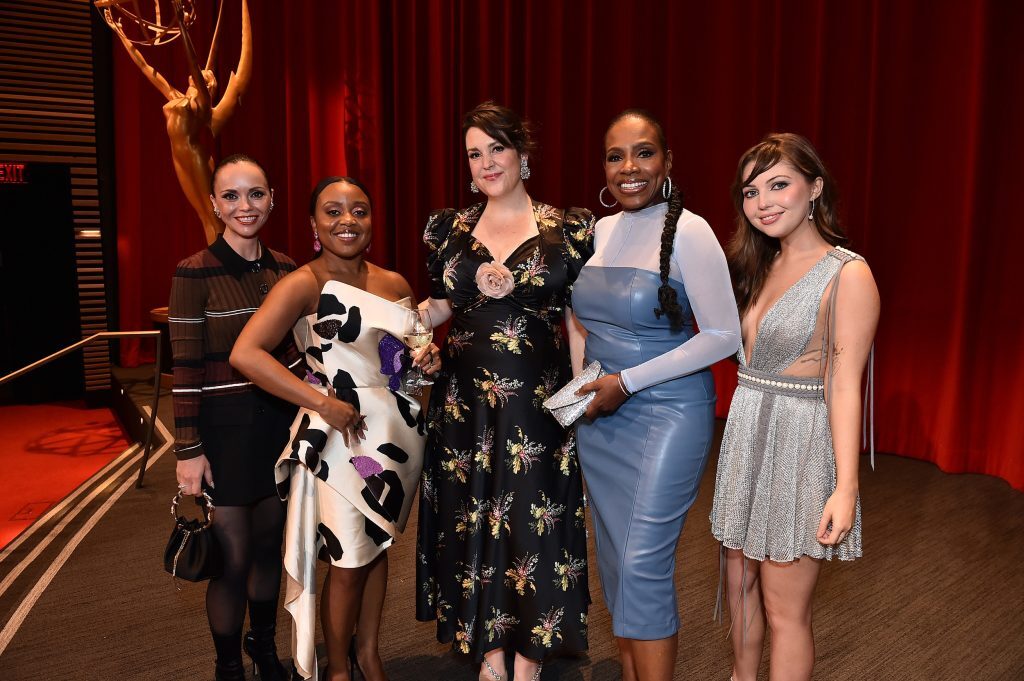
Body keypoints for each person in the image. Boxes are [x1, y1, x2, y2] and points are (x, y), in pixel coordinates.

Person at [230, 176, 436, 681]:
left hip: (395, 436)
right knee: (346, 559)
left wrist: (425, 361)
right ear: (314, 224)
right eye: (334, 211)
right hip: (340, 438)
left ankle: (370, 654)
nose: (348, 220)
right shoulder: (303, 283)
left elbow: (403, 362)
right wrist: (323, 402)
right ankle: (339, 667)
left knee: (377, 546)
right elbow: (246, 354)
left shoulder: (395, 283)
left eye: (359, 210)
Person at [415, 102, 593, 681]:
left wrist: (581, 400)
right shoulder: (449, 228)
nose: (487, 162)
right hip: (464, 407)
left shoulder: (567, 229)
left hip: (537, 405)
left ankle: (529, 652)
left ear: (522, 154)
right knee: (471, 517)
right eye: (475, 153)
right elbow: (443, 305)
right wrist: (416, 331)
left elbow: (576, 322)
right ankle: (488, 651)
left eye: (496, 148)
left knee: (532, 520)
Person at [571, 110, 741, 681]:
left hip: (667, 412)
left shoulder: (691, 231)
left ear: (667, 162)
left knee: (643, 560)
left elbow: (723, 336)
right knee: (617, 562)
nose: (629, 168)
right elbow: (586, 326)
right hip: (601, 417)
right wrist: (582, 391)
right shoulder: (599, 230)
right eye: (615, 156)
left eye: (643, 153)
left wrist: (628, 383)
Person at [709, 133, 880, 681]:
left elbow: (845, 384)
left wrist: (845, 487)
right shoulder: (754, 265)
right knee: (738, 588)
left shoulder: (848, 273)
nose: (764, 202)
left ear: (816, 188)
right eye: (750, 191)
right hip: (745, 434)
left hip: (800, 448)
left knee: (786, 612)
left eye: (779, 184)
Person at [170, 154, 302, 681]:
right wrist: (186, 452)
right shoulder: (193, 271)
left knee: (271, 547)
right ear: (214, 204)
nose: (244, 206)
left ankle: (264, 649)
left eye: (256, 194)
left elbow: (296, 354)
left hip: (277, 427)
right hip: (221, 435)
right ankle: (228, 666)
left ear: (272, 199)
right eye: (231, 196)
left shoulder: (287, 269)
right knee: (231, 559)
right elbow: (183, 367)